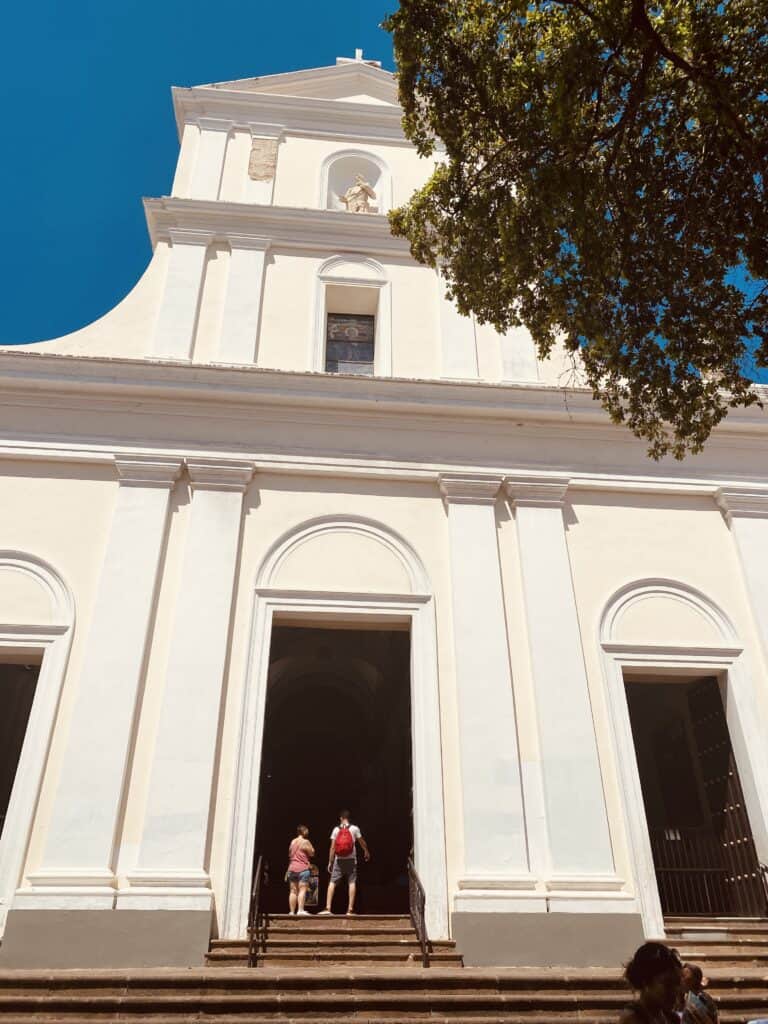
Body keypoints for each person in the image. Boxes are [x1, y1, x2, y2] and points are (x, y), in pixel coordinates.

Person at [320, 809, 371, 916]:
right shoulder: (354, 828)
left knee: (332, 882)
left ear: (341, 818)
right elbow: (362, 842)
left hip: (338, 860)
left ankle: (328, 908)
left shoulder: (335, 829)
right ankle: (350, 910)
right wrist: (366, 851)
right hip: (351, 860)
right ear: (349, 818)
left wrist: (330, 861)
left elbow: (333, 847)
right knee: (351, 882)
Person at [620, 942, 683, 1024]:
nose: (675, 991)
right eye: (668, 984)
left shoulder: (669, 1017)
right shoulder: (633, 1019)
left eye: (677, 983)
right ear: (645, 982)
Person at [286, 824, 315, 916]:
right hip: (303, 868)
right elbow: (312, 853)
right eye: (306, 830)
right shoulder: (306, 841)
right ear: (303, 831)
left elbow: (290, 855)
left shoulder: (292, 841)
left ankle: (291, 911)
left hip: (292, 868)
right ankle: (300, 910)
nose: (308, 832)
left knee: (293, 890)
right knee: (302, 889)